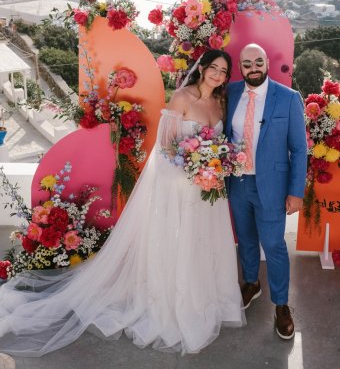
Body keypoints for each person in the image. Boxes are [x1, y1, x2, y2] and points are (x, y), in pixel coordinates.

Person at [0, 49, 245, 357]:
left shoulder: (219, 103)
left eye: (224, 71)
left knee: (203, 243)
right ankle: (171, 300)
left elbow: (219, 144)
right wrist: (195, 167)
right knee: (176, 244)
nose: (218, 75)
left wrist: (215, 164)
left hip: (208, 191)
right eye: (214, 68)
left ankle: (205, 298)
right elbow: (166, 149)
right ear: (203, 68)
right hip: (180, 187)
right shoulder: (182, 98)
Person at [225, 43, 307, 340]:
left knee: (273, 246)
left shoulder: (287, 98)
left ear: (267, 63)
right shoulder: (230, 92)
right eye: (247, 64)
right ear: (240, 66)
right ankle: (251, 283)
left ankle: (282, 305)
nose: (253, 68)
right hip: (237, 183)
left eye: (258, 62)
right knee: (245, 239)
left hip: (272, 187)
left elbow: (299, 149)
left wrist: (296, 192)